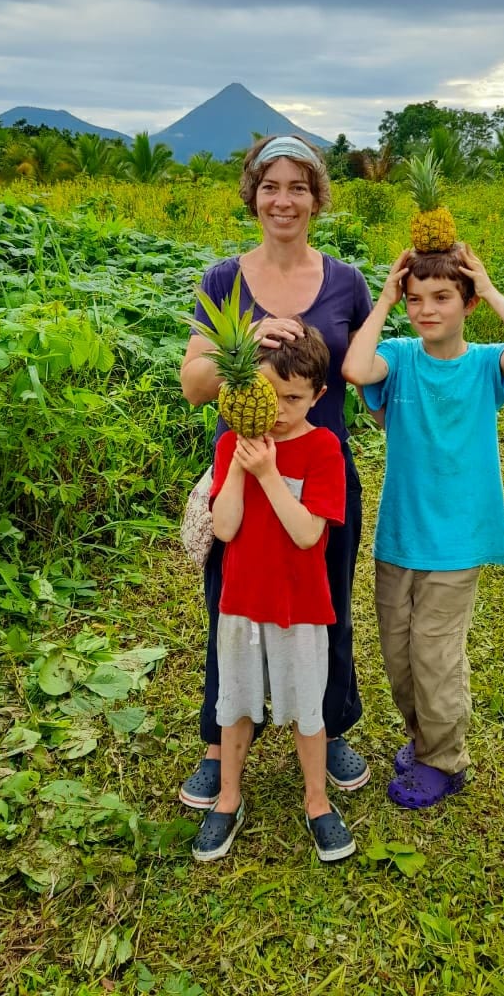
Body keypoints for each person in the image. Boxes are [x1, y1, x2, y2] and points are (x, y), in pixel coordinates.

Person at [179, 135, 373, 809]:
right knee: (229, 605)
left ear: (316, 197)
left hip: (321, 468)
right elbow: (195, 383)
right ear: (252, 195)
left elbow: (364, 367)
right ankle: (219, 738)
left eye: (298, 186)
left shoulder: (346, 281)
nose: (283, 200)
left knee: (328, 601)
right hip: (245, 466)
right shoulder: (223, 280)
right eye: (270, 186)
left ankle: (331, 721)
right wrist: (242, 342)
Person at [341, 241, 504, 809]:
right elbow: (355, 368)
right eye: (415, 299)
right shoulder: (401, 357)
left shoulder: (485, 364)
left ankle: (445, 759)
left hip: (457, 542)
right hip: (400, 536)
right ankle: (424, 737)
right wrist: (384, 298)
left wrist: (488, 286)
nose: (426, 309)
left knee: (435, 656)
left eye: (442, 297)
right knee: (398, 656)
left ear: (468, 303)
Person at [192, 325, 357, 862]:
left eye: (294, 398)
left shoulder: (322, 447)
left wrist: (266, 473)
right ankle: (229, 796)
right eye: (270, 394)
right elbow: (225, 528)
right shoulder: (228, 444)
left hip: (301, 604)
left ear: (318, 397)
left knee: (308, 705)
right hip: (240, 599)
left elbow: (309, 533)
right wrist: (241, 465)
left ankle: (316, 800)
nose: (281, 410)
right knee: (235, 702)